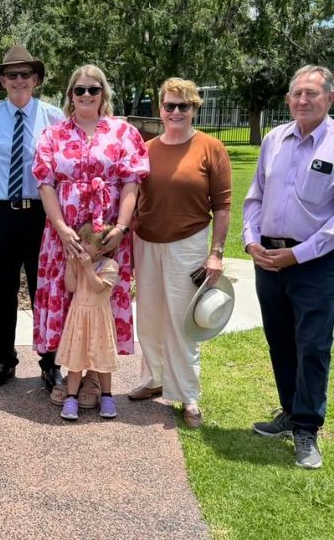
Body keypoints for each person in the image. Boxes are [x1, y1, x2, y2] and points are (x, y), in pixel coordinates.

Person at [33, 64, 149, 405]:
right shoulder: (52, 135)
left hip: (108, 233)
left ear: (103, 94)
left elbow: (131, 183)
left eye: (93, 89)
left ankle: (96, 379)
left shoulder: (124, 133)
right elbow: (45, 184)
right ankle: (72, 374)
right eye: (79, 89)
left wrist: (122, 227)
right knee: (70, 297)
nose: (86, 95)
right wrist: (61, 228)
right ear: (70, 94)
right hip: (65, 235)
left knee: (101, 300)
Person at [243, 64, 334, 469]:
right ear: (288, 99)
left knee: (312, 345)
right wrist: (251, 241)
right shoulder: (273, 140)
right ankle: (290, 411)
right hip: (268, 260)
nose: (303, 100)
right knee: (280, 340)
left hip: (315, 264)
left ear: (329, 98)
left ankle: (307, 429)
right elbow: (255, 197)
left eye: (312, 93)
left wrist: (298, 255)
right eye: (297, 93)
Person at [130, 77, 231, 428]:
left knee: (181, 320)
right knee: (149, 316)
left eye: (183, 106)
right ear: (160, 109)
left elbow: (223, 207)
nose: (176, 112)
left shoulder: (210, 148)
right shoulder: (146, 149)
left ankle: (188, 395)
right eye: (169, 105)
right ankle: (153, 379)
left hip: (188, 243)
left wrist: (216, 253)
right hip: (146, 241)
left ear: (194, 109)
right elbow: (134, 195)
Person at [0, 45, 65, 389]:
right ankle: (5, 360)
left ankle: (50, 362)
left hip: (41, 215)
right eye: (11, 74)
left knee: (45, 290)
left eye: (25, 74)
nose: (18, 80)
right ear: (2, 80)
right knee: (3, 290)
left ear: (36, 79)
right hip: (1, 213)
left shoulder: (53, 118)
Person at [57, 222, 119, 420]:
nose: (81, 245)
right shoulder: (77, 263)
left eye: (87, 242)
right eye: (81, 240)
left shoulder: (110, 266)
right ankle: (71, 398)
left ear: (100, 249)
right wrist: (70, 264)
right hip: (79, 317)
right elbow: (71, 286)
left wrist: (88, 268)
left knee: (102, 360)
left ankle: (107, 397)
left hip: (99, 320)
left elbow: (98, 287)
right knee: (75, 360)